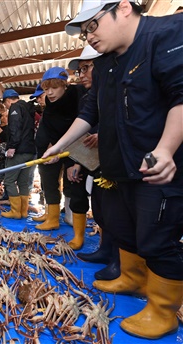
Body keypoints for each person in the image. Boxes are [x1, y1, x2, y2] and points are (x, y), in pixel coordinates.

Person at [43, 0, 183, 339]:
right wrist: (60, 146)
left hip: (155, 166)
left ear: (122, 8)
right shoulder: (106, 65)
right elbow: (89, 113)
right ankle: (132, 277)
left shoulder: (165, 36)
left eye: (92, 26)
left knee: (158, 238)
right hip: (118, 166)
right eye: (84, 31)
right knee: (120, 226)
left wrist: (165, 149)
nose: (88, 36)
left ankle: (163, 310)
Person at [66, 45, 119, 280]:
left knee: (118, 214)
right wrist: (78, 161)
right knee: (100, 209)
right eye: (80, 70)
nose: (82, 74)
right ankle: (106, 250)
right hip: (96, 162)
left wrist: (106, 134)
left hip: (118, 162)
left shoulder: (116, 87)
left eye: (86, 68)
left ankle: (121, 263)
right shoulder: (90, 96)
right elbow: (86, 131)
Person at [34, 67, 86, 236]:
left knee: (73, 182)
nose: (49, 92)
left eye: (54, 87)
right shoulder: (50, 104)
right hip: (56, 148)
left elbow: (84, 126)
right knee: (49, 181)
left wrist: (75, 159)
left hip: (79, 147)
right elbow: (50, 127)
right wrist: (52, 147)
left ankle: (73, 222)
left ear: (65, 84)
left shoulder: (78, 96)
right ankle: (52, 218)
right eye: (46, 88)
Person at [0, 89, 36, 219]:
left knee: (9, 181)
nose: (6, 107)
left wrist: (12, 147)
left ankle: (15, 211)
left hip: (19, 151)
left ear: (8, 100)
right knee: (23, 182)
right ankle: (24, 211)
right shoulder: (28, 107)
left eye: (5, 105)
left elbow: (15, 128)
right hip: (30, 151)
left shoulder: (15, 108)